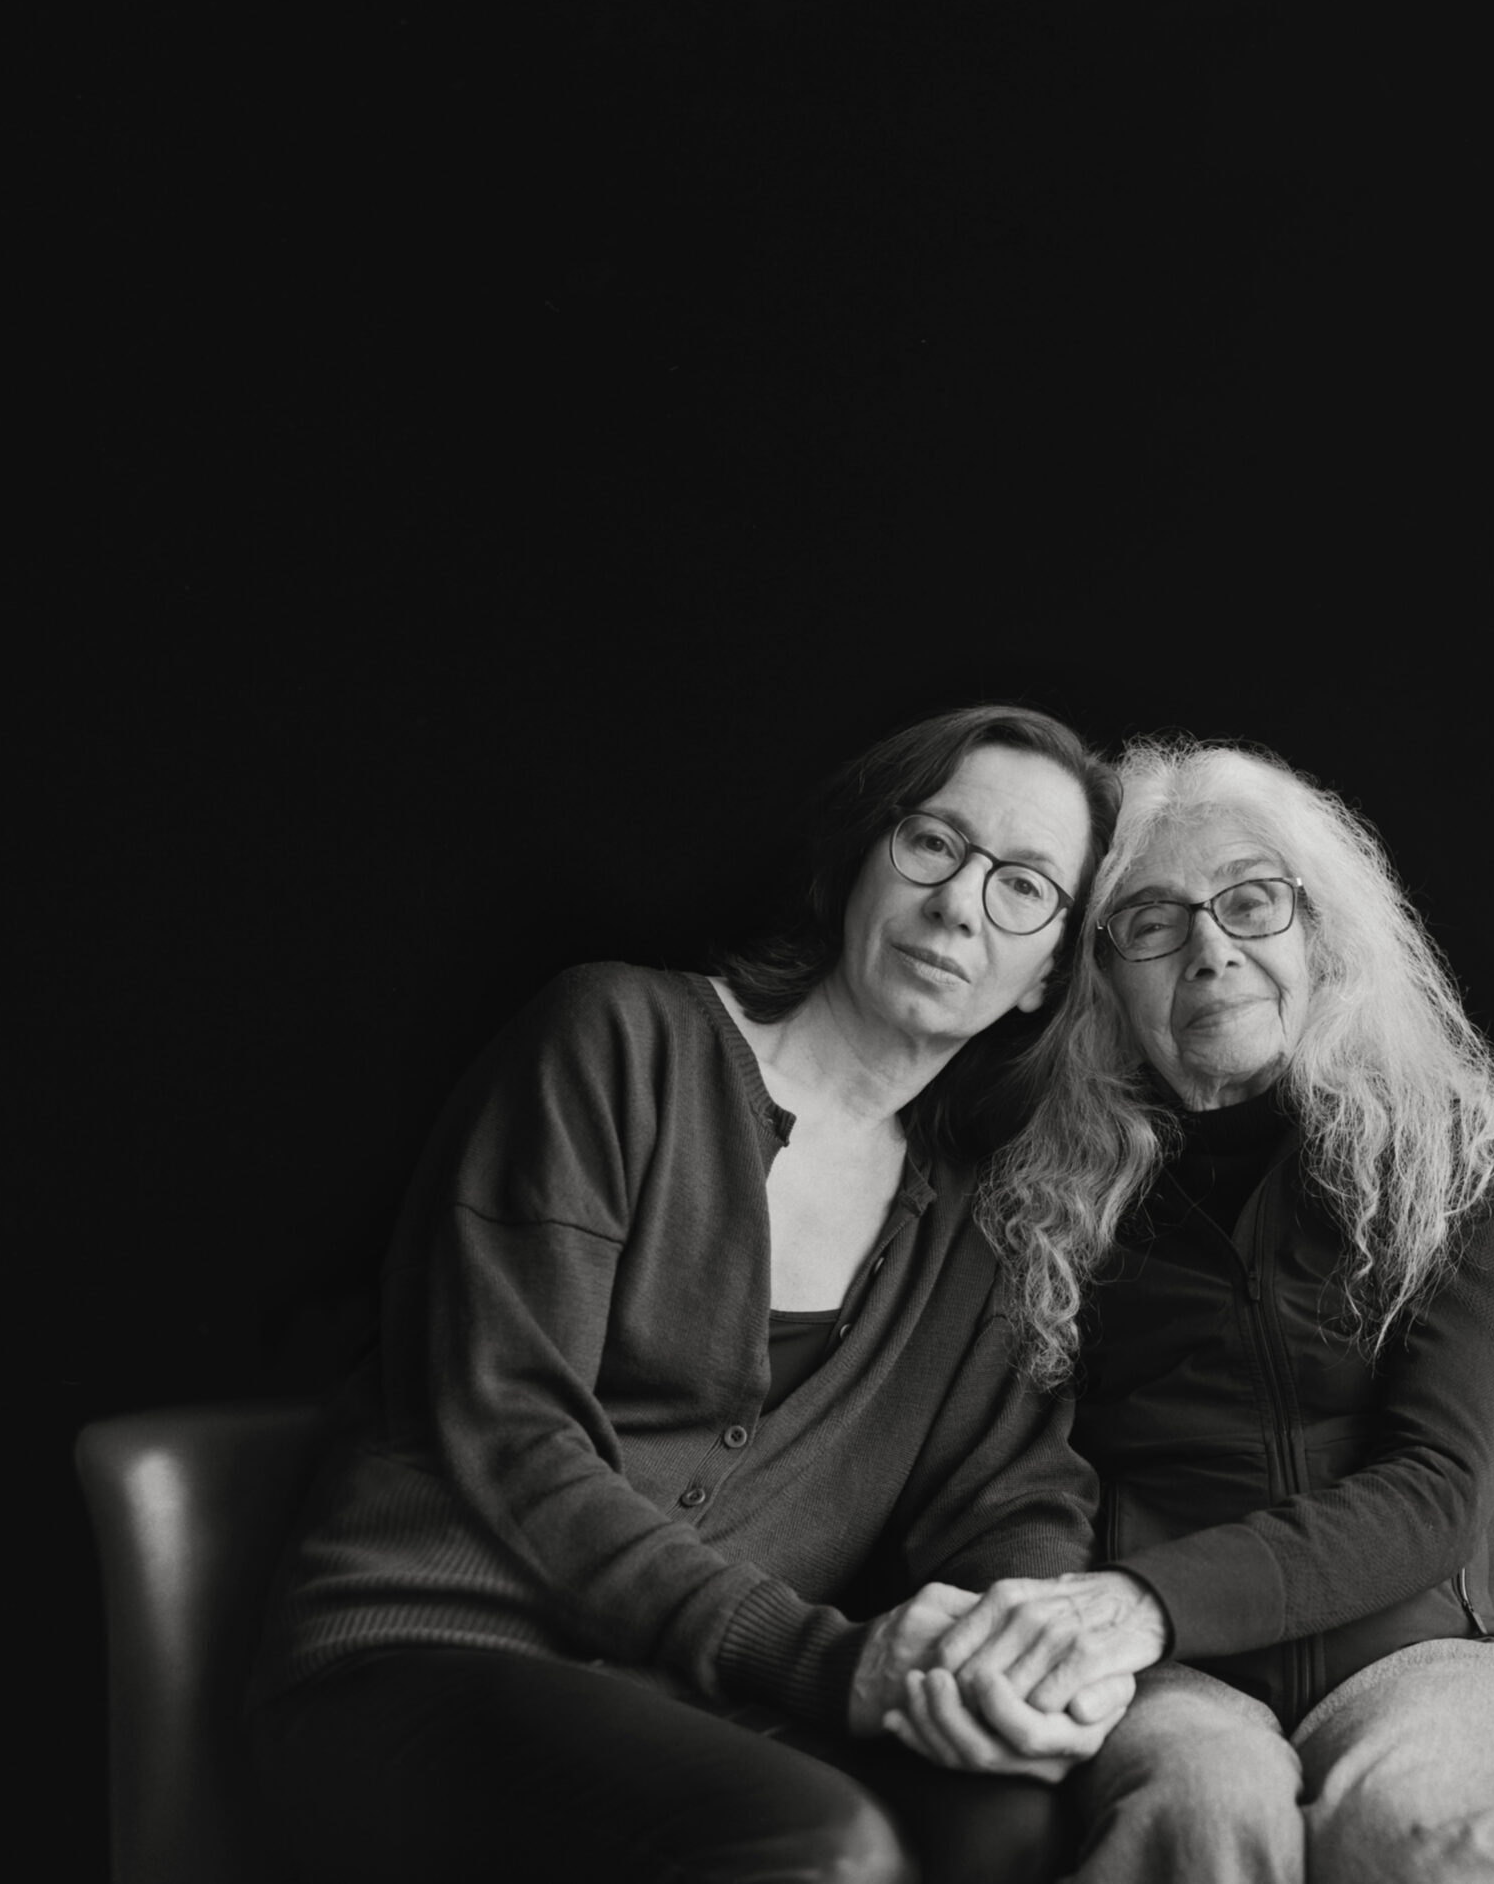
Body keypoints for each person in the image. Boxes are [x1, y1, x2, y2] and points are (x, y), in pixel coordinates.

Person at [245, 704, 1156, 1884]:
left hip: (698, 1704)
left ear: (1046, 977)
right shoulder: (617, 1040)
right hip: (422, 1659)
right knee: (816, 1848)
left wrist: (1011, 1657)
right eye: (933, 843)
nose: (958, 906)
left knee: (1005, 1825)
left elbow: (1008, 1499)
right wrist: (818, 1660)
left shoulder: (981, 1228)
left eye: (1023, 886)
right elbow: (510, 1432)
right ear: (857, 862)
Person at [902, 737, 1494, 1883]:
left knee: (1409, 1826)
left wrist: (1148, 1600)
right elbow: (1011, 1476)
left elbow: (1437, 1487)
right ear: (1098, 976)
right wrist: (1065, 1629)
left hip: (1430, 1653)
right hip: (1171, 1678)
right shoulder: (1034, 1192)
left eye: (1250, 902)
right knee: (1202, 1803)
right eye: (1151, 921)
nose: (1210, 950)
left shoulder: (1446, 1158)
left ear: (1320, 934)